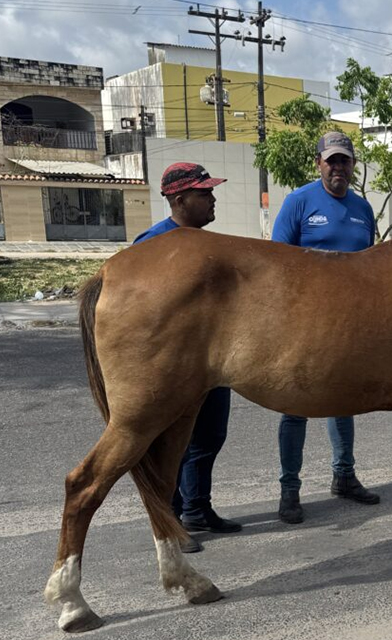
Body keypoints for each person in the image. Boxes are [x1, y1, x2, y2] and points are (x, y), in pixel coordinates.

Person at [271, 131, 380, 525]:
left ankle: (345, 476)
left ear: (352, 165)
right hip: (302, 323)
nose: (338, 168)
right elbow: (278, 263)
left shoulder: (363, 209)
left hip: (349, 327)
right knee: (295, 406)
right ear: (318, 163)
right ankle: (289, 490)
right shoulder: (298, 202)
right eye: (331, 160)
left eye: (344, 161)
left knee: (344, 402)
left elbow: (367, 266)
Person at [133, 162, 242, 553]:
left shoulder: (208, 245)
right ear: (179, 200)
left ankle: (198, 507)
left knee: (210, 436)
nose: (213, 199)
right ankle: (171, 517)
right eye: (204, 193)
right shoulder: (153, 246)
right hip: (176, 365)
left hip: (215, 361)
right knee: (171, 442)